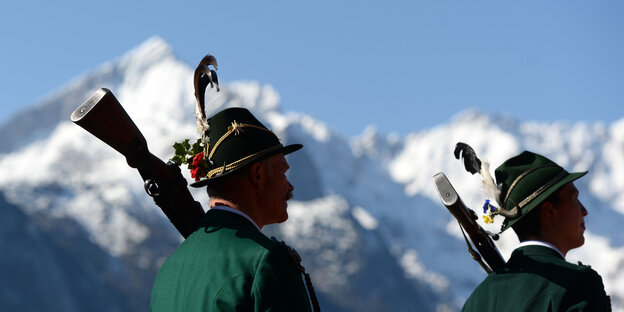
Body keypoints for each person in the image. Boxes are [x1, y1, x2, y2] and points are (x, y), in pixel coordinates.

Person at [150, 107, 319, 311]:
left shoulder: (169, 270)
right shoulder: (266, 261)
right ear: (257, 175)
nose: (290, 186)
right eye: (283, 173)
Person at [462, 151, 611, 311]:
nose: (584, 210)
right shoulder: (580, 285)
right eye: (574, 198)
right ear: (549, 211)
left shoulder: (476, 300)